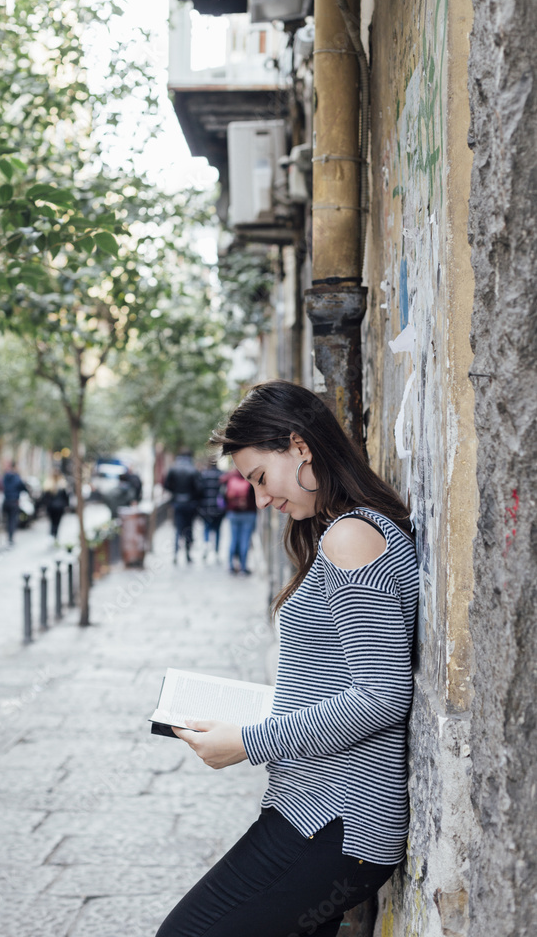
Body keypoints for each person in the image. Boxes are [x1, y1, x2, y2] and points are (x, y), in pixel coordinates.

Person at [156, 380, 418, 937]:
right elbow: (339, 678)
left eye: (259, 477)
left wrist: (247, 743)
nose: (261, 498)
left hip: (337, 822)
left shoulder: (350, 537)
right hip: (322, 813)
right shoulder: (345, 529)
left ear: (299, 447)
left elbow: (382, 695)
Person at [164, 448, 201, 564]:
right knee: (188, 529)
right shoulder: (193, 469)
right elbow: (199, 488)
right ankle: (188, 554)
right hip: (190, 504)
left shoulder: (173, 468)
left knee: (178, 530)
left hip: (177, 503)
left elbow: (166, 485)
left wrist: (175, 493)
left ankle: (175, 554)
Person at [220, 466, 256, 574]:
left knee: (233, 539)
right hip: (248, 513)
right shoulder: (251, 476)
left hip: (233, 513)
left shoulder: (230, 476)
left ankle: (231, 565)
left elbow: (223, 494)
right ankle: (243, 567)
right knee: (245, 540)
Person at [197, 457, 226, 561]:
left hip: (206, 507)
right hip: (218, 508)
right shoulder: (222, 475)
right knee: (217, 530)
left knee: (206, 528)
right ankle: (217, 551)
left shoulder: (203, 475)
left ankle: (206, 545)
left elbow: (199, 491)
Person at [2, 461, 27, 546]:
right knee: (13, 519)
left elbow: (2, 486)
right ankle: (10, 537)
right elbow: (23, 487)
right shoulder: (17, 477)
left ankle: (9, 536)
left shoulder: (5, 476)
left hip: (6, 501)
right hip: (14, 501)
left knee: (8, 519)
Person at [42, 471, 69, 542]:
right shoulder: (62, 485)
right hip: (59, 508)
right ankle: (55, 536)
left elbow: (44, 498)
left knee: (52, 522)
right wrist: (66, 505)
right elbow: (66, 497)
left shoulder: (48, 485)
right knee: (57, 522)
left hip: (51, 508)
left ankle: (52, 535)